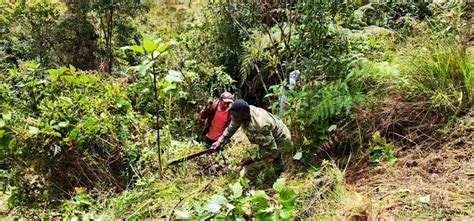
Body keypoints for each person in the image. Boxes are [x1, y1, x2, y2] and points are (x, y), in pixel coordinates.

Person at [211, 99, 291, 185]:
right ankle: (279, 174)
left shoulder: (258, 126)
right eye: (232, 115)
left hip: (281, 138)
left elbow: (270, 148)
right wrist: (220, 141)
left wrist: (251, 158)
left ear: (244, 115)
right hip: (272, 135)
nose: (233, 118)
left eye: (235, 117)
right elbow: (232, 127)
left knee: (252, 167)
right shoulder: (240, 113)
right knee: (274, 155)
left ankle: (248, 189)